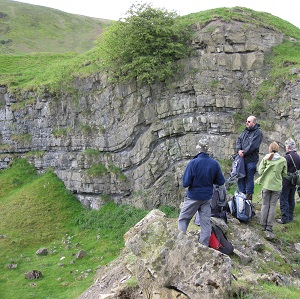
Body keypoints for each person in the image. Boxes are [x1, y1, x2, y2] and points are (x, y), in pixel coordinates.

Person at [178, 139, 225, 246]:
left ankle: (180, 244)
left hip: (193, 197)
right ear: (208, 150)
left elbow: (185, 183)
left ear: (198, 149)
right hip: (206, 198)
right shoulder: (214, 164)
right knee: (205, 224)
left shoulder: (193, 163)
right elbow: (221, 183)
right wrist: (222, 200)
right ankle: (203, 246)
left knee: (183, 220)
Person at [255, 142, 287, 238]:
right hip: (276, 186)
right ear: (278, 149)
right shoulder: (283, 160)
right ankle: (269, 226)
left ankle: (263, 224)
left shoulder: (266, 158)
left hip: (267, 184)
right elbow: (284, 174)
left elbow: (260, 171)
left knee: (265, 204)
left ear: (270, 149)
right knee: (273, 205)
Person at [236, 115, 263, 201]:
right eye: (246, 121)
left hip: (251, 160)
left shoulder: (258, 133)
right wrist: (239, 149)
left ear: (254, 123)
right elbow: (239, 140)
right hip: (242, 160)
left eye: (249, 122)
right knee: (240, 177)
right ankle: (241, 196)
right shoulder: (245, 131)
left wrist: (244, 152)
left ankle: (248, 199)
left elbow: (253, 146)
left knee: (249, 178)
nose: (246, 123)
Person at [277, 138, 300, 224]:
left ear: (288, 147)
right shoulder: (298, 157)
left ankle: (284, 218)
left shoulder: (287, 157)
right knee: (291, 199)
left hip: (286, 181)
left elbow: (282, 169)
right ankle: (290, 217)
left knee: (284, 199)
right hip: (294, 182)